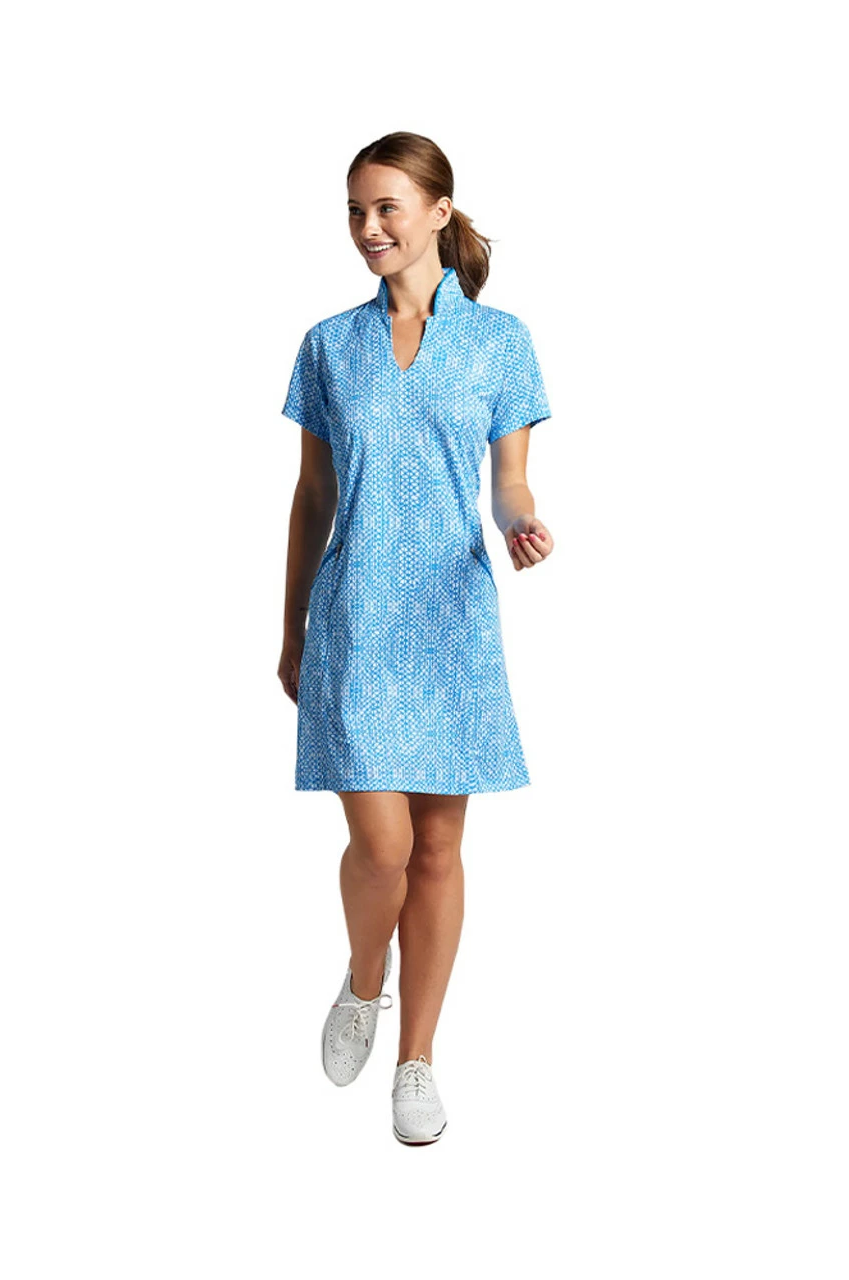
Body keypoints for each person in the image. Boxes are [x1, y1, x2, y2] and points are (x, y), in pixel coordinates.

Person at [277, 132, 554, 1146]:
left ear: (439, 210)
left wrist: (521, 521)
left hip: (450, 620)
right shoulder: (327, 345)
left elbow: (509, 480)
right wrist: (291, 624)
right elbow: (311, 495)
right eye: (355, 210)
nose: (367, 227)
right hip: (355, 617)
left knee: (436, 849)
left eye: (386, 206)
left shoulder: (500, 343)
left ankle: (417, 1059)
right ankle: (364, 979)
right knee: (381, 845)